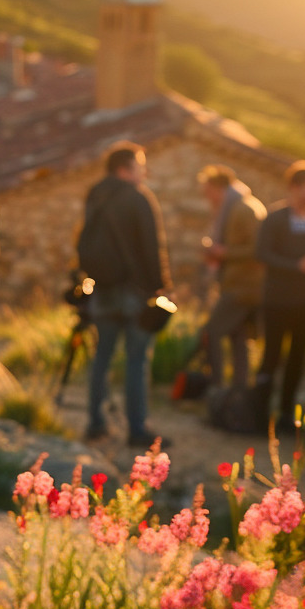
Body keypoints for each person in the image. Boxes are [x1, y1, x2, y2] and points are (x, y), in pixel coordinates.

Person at [78, 142, 171, 446]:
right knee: (136, 361)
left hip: (102, 290)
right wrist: (159, 286)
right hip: (133, 291)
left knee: (102, 357)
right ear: (124, 168)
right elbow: (151, 247)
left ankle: (96, 423)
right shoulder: (137, 198)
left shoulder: (95, 195)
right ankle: (137, 429)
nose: (143, 172)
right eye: (139, 165)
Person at [255, 160, 305, 433]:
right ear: (294, 188)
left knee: (297, 359)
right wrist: (295, 265)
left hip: (304, 300)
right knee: (272, 356)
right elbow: (262, 254)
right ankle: (259, 413)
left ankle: (287, 414)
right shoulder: (275, 218)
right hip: (277, 299)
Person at [199, 164, 266, 399]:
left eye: (208, 192)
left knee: (212, 332)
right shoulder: (236, 207)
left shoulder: (243, 209)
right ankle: (238, 390)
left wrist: (223, 253)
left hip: (243, 286)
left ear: (219, 188)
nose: (207, 198)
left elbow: (259, 249)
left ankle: (217, 387)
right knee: (238, 337)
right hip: (239, 284)